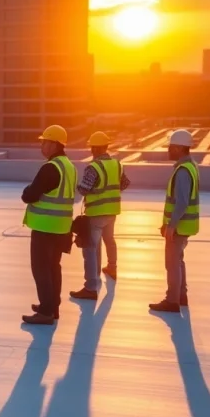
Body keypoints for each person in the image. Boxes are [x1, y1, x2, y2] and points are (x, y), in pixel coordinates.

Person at [21, 124, 77, 325]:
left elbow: (30, 195)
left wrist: (27, 189)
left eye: (44, 142)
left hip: (45, 227)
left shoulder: (50, 167)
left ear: (54, 144)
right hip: (62, 227)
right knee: (54, 267)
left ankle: (46, 311)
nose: (42, 146)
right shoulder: (69, 166)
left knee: (41, 269)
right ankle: (52, 307)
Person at [70, 131, 130, 300]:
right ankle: (112, 267)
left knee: (90, 248)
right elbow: (125, 183)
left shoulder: (93, 167)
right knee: (109, 240)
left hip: (96, 213)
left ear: (95, 148)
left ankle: (91, 287)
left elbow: (84, 189)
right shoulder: (117, 164)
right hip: (112, 210)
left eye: (92, 147)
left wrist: (80, 188)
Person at [150, 130, 200, 313]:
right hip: (184, 225)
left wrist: (171, 225)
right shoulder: (191, 166)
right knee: (178, 261)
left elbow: (182, 202)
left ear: (179, 148)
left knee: (172, 264)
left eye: (171, 146)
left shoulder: (183, 171)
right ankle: (181, 296)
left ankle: (172, 301)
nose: (168, 150)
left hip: (179, 226)